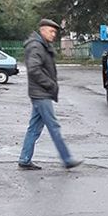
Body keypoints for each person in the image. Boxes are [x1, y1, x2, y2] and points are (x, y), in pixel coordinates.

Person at [18, 18, 82, 170]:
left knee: (34, 128)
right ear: (42, 30)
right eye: (51, 31)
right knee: (53, 126)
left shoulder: (42, 45)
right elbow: (34, 70)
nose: (54, 34)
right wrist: (50, 84)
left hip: (40, 93)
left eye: (55, 32)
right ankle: (67, 159)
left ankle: (24, 159)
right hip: (41, 93)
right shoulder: (36, 46)